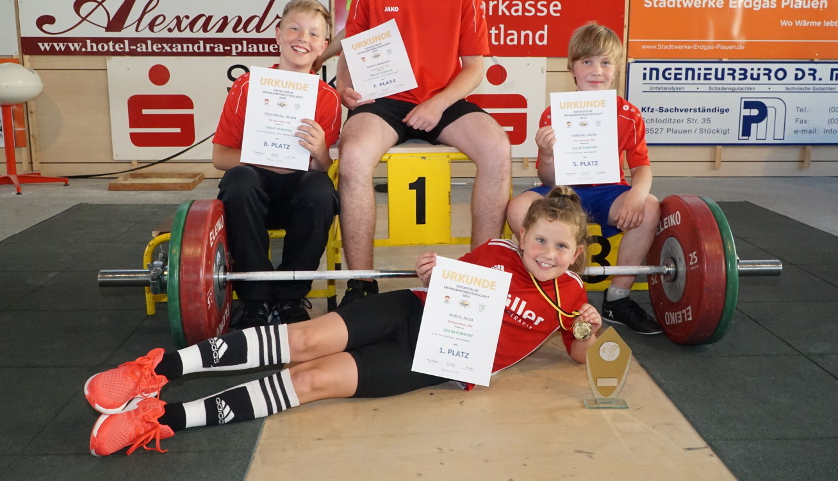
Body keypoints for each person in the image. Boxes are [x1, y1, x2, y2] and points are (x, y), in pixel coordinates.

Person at [84, 186, 602, 457]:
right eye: (540, 239)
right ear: (523, 236)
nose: (548, 252)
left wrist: (588, 328)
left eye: (561, 246)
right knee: (306, 337)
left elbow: (579, 355)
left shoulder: (572, 296)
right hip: (410, 310)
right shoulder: (496, 251)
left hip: (433, 360)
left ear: (577, 253)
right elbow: (452, 282)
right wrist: (434, 269)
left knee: (311, 381)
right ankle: (155, 370)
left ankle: (163, 418)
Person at [335, 0, 511, 304]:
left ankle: (480, 276)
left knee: (498, 149)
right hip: (386, 102)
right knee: (353, 156)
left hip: (444, 99)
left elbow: (475, 67)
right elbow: (350, 50)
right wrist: (343, 84)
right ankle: (361, 284)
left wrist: (437, 103)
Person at [506, 23, 662, 335]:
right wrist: (546, 153)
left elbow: (642, 166)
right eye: (587, 61)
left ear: (616, 69)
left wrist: (637, 194)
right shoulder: (554, 114)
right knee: (518, 207)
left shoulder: (629, 114)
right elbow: (546, 177)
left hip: (609, 191)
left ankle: (618, 298)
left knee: (650, 206)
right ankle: (545, 288)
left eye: (605, 62)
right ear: (572, 68)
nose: (596, 71)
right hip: (563, 191)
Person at [212, 0, 341, 328]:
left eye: (313, 34)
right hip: (252, 197)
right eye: (294, 29)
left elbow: (322, 167)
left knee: (321, 189)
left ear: (323, 46)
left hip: (299, 196)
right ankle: (255, 299)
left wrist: (320, 152)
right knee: (240, 180)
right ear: (278, 34)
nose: (302, 38)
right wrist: (266, 159)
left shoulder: (328, 98)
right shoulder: (246, 86)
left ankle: (289, 297)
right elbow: (220, 157)